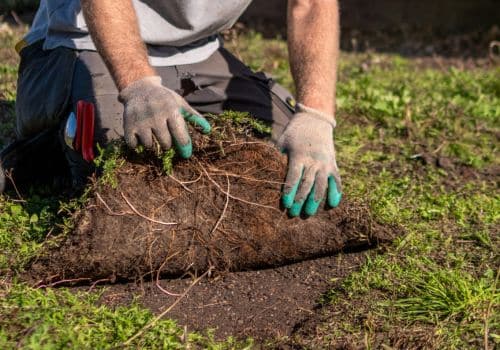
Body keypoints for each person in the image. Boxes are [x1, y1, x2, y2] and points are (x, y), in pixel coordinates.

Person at [0, 0, 342, 217]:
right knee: (124, 164)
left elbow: (311, 5)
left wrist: (315, 115)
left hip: (198, 51)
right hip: (81, 42)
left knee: (282, 158)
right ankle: (48, 144)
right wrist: (139, 86)